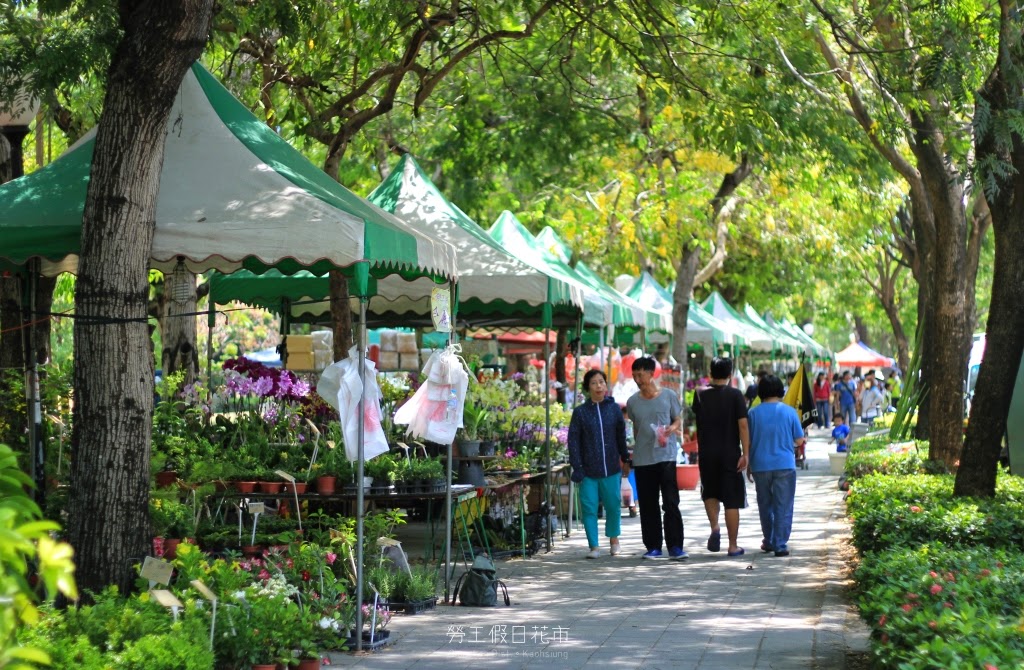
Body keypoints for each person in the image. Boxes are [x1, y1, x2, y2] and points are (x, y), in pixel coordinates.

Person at [626, 356, 686, 560]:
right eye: (634, 376)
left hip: (666, 456)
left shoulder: (669, 396)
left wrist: (672, 428)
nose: (637, 379)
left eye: (640, 375)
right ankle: (653, 546)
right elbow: (636, 428)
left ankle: (676, 546)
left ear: (652, 374)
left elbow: (678, 419)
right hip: (643, 460)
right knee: (648, 504)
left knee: (670, 502)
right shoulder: (632, 402)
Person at [568, 370, 631, 559]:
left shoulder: (614, 409)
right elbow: (573, 441)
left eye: (602, 382)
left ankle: (614, 540)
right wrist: (577, 466)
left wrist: (625, 457)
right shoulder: (580, 412)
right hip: (587, 471)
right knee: (589, 508)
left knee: (613, 505)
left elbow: (621, 436)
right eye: (594, 383)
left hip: (611, 468)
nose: (599, 386)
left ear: (606, 385)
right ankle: (593, 546)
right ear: (588, 388)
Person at [692, 357, 749, 557]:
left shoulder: (699, 394)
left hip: (707, 453)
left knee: (710, 492)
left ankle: (715, 527)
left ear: (711, 372)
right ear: (730, 374)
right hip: (730, 453)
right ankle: (733, 546)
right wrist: (746, 453)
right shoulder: (735, 395)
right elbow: (743, 425)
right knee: (731, 500)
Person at [747, 375, 805, 557]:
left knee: (765, 504)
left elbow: (747, 441)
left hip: (760, 464)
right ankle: (780, 544)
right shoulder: (789, 412)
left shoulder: (752, 413)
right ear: (780, 391)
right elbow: (799, 439)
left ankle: (769, 540)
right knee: (784, 505)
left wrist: (748, 463)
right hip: (784, 465)